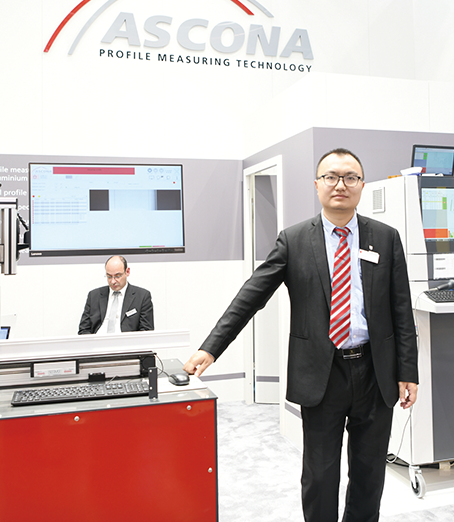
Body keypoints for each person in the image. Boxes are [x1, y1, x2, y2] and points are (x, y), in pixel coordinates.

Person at [184, 148, 419, 522]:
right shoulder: (293, 240)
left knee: (370, 473)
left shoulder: (385, 238)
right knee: (320, 476)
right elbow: (251, 296)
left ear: (361, 185)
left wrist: (408, 371)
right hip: (322, 375)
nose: (340, 185)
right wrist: (211, 348)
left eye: (350, 177)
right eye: (331, 177)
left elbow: (401, 310)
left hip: (376, 373)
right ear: (317, 184)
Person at [78, 255, 154, 334]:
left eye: (117, 276)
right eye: (109, 276)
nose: (113, 281)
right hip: (97, 339)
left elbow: (146, 332)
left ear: (127, 272)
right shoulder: (94, 296)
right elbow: (83, 329)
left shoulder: (142, 297)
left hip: (125, 340)